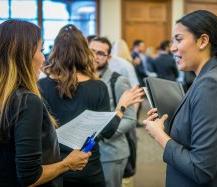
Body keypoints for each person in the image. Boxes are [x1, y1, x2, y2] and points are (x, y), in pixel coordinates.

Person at [143, 10, 217, 187]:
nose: (172, 47)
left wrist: (159, 135)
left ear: (203, 41)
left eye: (179, 39)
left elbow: (201, 168)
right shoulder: (211, 75)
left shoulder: (211, 85)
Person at [38, 25, 141, 187]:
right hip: (87, 166)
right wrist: (121, 107)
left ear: (55, 51)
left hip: (53, 167)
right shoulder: (98, 87)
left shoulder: (41, 86)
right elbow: (107, 131)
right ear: (84, 51)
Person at [0, 20, 91, 187]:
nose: (44, 58)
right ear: (23, 54)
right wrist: (68, 163)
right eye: (40, 50)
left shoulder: (8, 96)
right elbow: (30, 177)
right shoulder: (27, 101)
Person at [89, 37, 144, 187]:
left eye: (101, 53)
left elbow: (130, 119)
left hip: (111, 153)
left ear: (109, 57)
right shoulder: (80, 79)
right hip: (86, 154)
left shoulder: (118, 81)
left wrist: (104, 133)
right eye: (92, 51)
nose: (95, 56)